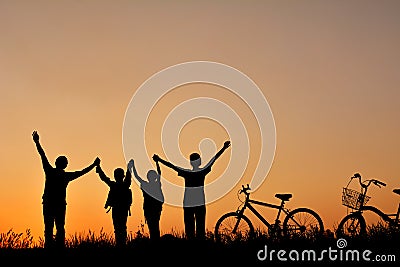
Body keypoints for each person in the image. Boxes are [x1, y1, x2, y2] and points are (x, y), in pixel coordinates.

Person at [32, 130, 100, 249]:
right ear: (65, 165)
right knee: (60, 227)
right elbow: (82, 172)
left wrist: (37, 142)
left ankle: (49, 247)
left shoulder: (50, 171)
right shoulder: (65, 176)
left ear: (56, 163)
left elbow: (42, 155)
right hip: (58, 205)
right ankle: (60, 247)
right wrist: (93, 165)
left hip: (48, 203)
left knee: (48, 227)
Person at [153, 140, 231, 240]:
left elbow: (172, 166)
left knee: (189, 228)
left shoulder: (187, 173)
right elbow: (213, 160)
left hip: (188, 202)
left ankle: (191, 246)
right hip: (199, 202)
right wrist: (223, 148)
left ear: (190, 162)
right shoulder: (202, 172)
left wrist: (159, 160)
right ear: (199, 162)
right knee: (200, 227)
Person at [96, 160, 132, 247]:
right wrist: (129, 167)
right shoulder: (125, 185)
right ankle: (121, 244)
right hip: (122, 209)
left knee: (118, 228)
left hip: (117, 209)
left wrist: (99, 168)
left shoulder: (114, 185)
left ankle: (120, 244)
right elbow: (128, 176)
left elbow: (104, 178)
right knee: (122, 227)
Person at [130, 158, 164, 241]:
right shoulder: (156, 184)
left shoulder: (146, 185)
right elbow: (159, 173)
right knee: (155, 224)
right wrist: (157, 163)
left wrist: (133, 166)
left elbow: (136, 176)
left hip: (150, 208)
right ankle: (155, 240)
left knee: (152, 225)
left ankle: (154, 240)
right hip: (153, 208)